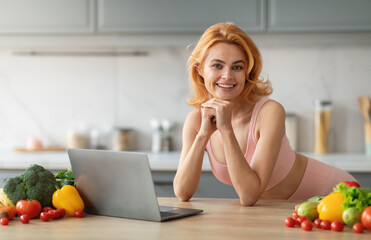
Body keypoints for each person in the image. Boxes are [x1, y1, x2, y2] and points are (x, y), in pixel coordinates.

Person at [173, 22, 357, 206]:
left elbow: (249, 195)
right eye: (217, 66)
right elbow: (182, 191)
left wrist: (226, 129)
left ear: (247, 72)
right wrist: (203, 134)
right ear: (200, 70)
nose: (227, 76)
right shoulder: (196, 121)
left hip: (334, 193)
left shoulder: (269, 112)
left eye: (237, 67)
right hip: (285, 211)